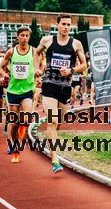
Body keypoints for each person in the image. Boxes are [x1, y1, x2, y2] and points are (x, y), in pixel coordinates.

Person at [36, 14, 87, 173]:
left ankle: (51, 142)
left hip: (65, 87)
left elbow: (84, 65)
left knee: (58, 123)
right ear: (57, 25)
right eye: (63, 24)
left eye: (68, 24)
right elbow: (36, 53)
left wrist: (71, 70)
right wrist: (36, 68)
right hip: (49, 85)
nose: (66, 27)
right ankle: (55, 158)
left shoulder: (76, 44)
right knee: (52, 121)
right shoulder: (47, 41)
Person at [0, 26, 40, 163]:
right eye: (22, 35)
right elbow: (0, 67)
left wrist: (37, 72)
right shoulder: (11, 52)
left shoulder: (34, 51)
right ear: (18, 37)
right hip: (13, 91)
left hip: (27, 90)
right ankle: (15, 150)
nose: (24, 38)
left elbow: (37, 67)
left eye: (27, 35)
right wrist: (4, 75)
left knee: (26, 120)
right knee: (14, 123)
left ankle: (18, 139)